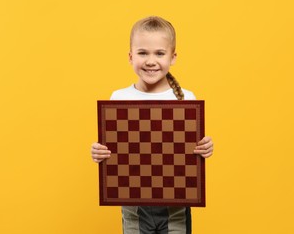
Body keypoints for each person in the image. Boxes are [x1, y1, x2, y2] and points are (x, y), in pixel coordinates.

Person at [91, 16, 214, 234]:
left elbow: (191, 153)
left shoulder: (186, 98)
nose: (150, 60)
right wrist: (99, 152)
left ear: (173, 57)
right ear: (130, 57)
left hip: (176, 204)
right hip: (134, 207)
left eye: (159, 53)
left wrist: (205, 147)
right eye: (142, 53)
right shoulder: (118, 98)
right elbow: (113, 152)